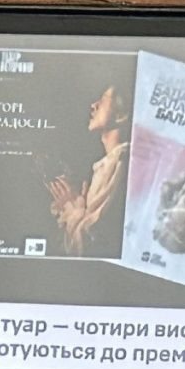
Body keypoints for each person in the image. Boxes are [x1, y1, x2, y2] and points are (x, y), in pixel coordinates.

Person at [48, 81, 131, 256]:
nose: (94, 105)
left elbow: (90, 242)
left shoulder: (120, 163)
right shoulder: (109, 164)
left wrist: (71, 206)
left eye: (103, 99)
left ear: (121, 115)